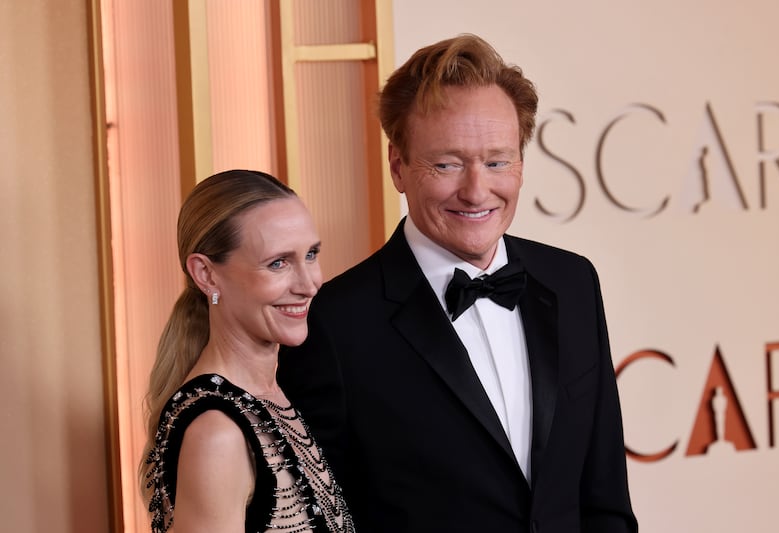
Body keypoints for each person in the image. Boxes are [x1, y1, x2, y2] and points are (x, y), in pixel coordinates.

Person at [278, 35, 637, 532]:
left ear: (521, 164)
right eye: (447, 164)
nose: (476, 190)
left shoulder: (573, 281)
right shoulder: (336, 323)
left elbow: (605, 498)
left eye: (496, 161)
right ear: (399, 166)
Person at [139, 170, 355, 533]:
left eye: (312, 254)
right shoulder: (216, 434)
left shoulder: (268, 394)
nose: (309, 284)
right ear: (206, 275)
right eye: (278, 263)